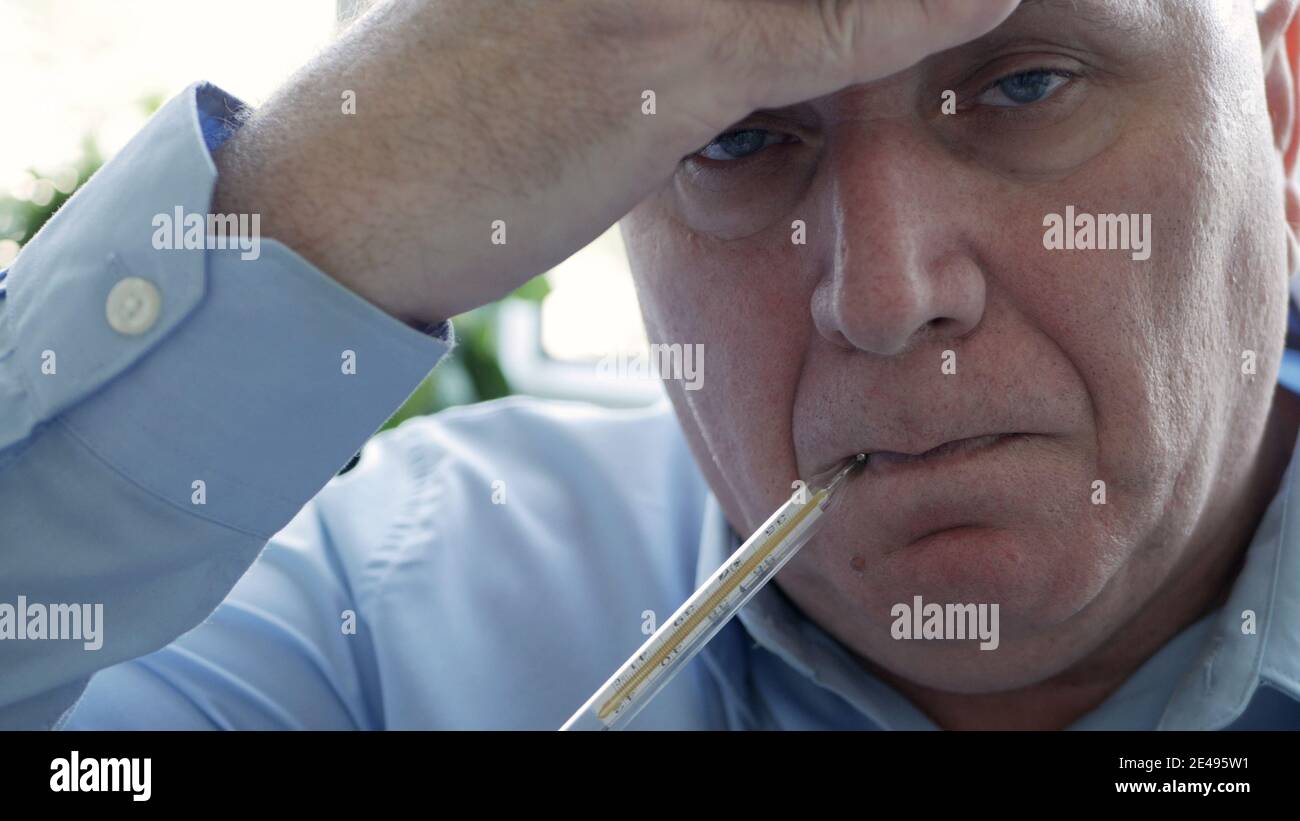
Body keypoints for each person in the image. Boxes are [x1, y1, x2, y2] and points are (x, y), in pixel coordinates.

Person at [3, 0, 1300, 730]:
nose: (888, 296)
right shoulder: (388, 616)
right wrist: (324, 196)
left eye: (1026, 87)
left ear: (1282, 116)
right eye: (736, 140)